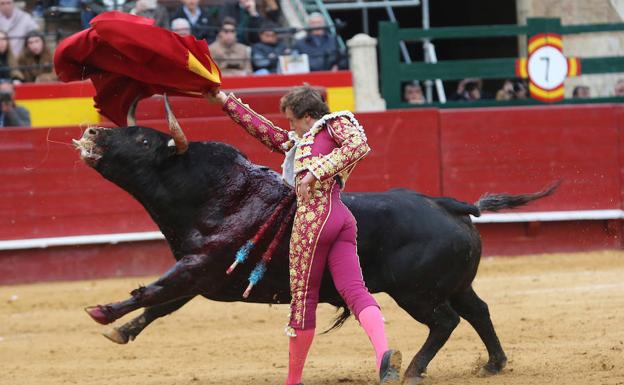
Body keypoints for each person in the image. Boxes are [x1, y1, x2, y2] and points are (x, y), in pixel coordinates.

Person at [207, 85, 402, 385]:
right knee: (355, 291)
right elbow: (267, 133)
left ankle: (293, 381)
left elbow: (359, 145)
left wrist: (315, 173)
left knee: (303, 299)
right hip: (341, 219)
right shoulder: (305, 138)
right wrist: (224, 101)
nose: (290, 127)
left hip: (314, 220)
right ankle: (383, 356)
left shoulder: (334, 123)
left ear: (308, 117)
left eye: (292, 121)